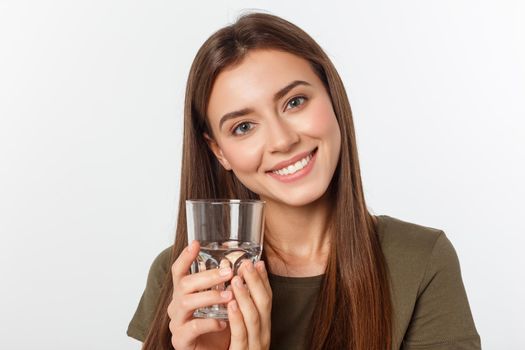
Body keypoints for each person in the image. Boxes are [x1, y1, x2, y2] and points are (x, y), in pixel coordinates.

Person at [127, 12, 481, 350]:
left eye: (295, 102)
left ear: (331, 95)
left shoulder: (418, 261)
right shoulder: (184, 281)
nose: (282, 141)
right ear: (219, 151)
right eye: (244, 127)